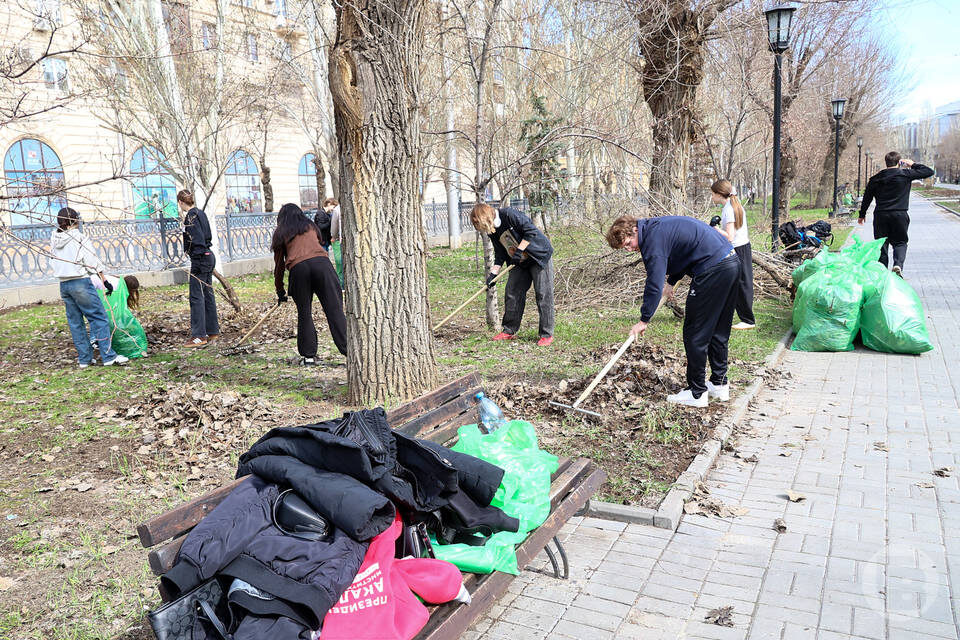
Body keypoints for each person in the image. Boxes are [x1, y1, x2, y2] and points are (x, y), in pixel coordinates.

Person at [605, 215, 738, 408]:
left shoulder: (651, 240)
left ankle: (697, 393)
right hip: (731, 263)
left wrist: (644, 320)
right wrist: (671, 282)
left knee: (695, 334)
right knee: (718, 330)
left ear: (634, 230)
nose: (630, 248)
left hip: (712, 270)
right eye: (625, 247)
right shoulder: (658, 228)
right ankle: (719, 384)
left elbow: (653, 283)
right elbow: (684, 252)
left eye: (628, 243)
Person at [50, 207, 129, 368]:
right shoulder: (79, 238)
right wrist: (104, 279)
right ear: (74, 221)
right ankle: (108, 356)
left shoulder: (54, 239)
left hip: (64, 284)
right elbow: (92, 260)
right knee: (98, 318)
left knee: (75, 322)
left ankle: (85, 359)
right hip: (80, 282)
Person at [272, 203, 348, 365]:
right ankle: (349, 350)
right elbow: (320, 241)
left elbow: (279, 266)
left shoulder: (281, 232)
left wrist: (280, 290)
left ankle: (308, 356)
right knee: (335, 310)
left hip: (299, 270)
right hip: (322, 266)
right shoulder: (310, 226)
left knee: (304, 312)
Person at [470, 203, 555, 346]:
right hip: (519, 261)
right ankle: (509, 330)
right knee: (512, 291)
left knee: (543, 294)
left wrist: (519, 250)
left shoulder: (509, 215)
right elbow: (500, 252)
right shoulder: (493, 230)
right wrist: (493, 274)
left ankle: (546, 334)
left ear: (486, 217)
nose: (483, 229)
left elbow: (530, 231)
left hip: (539, 257)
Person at [858, 152, 935, 276]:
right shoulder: (905, 174)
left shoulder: (875, 179)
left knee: (881, 244)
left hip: (880, 215)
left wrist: (862, 215)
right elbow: (929, 171)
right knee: (900, 242)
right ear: (899, 163)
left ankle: (882, 273)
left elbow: (867, 198)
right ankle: (898, 265)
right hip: (900, 214)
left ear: (886, 162)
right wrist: (913, 164)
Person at [177, 190, 219, 347]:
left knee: (196, 297)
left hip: (201, 258)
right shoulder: (200, 213)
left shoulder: (191, 217)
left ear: (181, 202)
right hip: (209, 256)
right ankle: (212, 331)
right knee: (208, 294)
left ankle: (199, 336)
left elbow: (197, 239)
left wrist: (196, 254)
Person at [711, 180, 755, 330]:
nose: (711, 197)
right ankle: (732, 315)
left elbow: (730, 236)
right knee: (738, 282)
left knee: (742, 283)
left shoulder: (729, 209)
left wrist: (714, 229)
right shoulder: (731, 205)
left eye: (713, 194)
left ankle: (748, 320)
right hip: (742, 247)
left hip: (738, 248)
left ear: (719, 194)